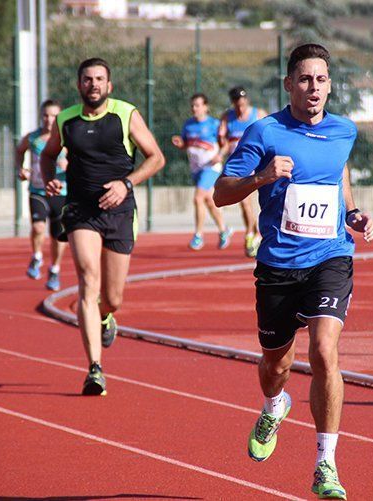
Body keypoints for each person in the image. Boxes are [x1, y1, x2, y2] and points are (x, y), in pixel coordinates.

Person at [213, 44, 373, 499]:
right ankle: (274, 404)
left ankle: (325, 464)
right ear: (289, 84)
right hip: (278, 265)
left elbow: (339, 178)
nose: (315, 88)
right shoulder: (264, 131)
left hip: (331, 256)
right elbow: (221, 194)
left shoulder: (344, 130)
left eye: (322, 80)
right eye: (305, 79)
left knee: (325, 351)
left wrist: (354, 212)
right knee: (275, 365)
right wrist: (261, 177)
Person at [40, 57, 165, 396]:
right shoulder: (66, 120)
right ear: (79, 84)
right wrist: (50, 179)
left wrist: (126, 183)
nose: (93, 84)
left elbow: (156, 157)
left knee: (112, 297)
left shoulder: (125, 114)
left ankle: (106, 317)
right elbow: (48, 154)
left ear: (109, 86)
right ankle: (94, 368)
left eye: (99, 79)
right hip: (81, 211)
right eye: (87, 79)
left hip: (120, 213)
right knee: (87, 280)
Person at [15, 99, 69, 291]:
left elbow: (82, 161)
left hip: (61, 192)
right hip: (38, 191)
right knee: (38, 228)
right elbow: (19, 149)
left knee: (58, 236)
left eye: (54, 116)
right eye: (46, 115)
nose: (49, 120)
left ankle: (54, 269)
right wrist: (21, 169)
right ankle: (37, 256)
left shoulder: (67, 138)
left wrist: (68, 166)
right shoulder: (33, 138)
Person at [171, 93, 232, 250]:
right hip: (196, 168)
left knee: (198, 198)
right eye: (193, 105)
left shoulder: (214, 124)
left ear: (206, 107)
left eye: (198, 105)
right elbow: (186, 144)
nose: (195, 108)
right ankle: (223, 230)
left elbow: (224, 144)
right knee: (210, 202)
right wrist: (180, 143)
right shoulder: (188, 125)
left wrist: (220, 155)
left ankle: (198, 235)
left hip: (211, 167)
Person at [217, 86, 267, 258]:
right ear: (233, 103)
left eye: (243, 101)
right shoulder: (227, 118)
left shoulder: (258, 114)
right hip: (239, 167)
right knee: (245, 203)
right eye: (237, 102)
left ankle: (256, 234)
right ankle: (251, 234)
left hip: (259, 163)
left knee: (262, 201)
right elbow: (222, 140)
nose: (241, 105)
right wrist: (220, 151)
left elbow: (270, 132)